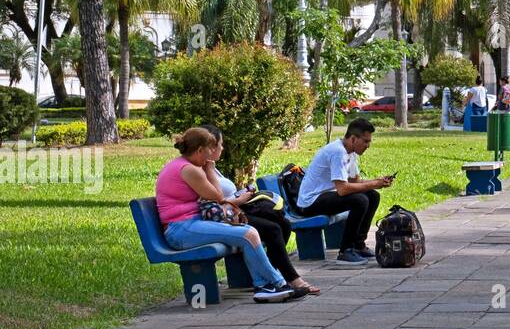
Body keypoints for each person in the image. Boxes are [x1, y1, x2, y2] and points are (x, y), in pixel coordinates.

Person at [155, 127, 305, 303]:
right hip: (181, 229)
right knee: (248, 233)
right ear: (199, 150)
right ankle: (274, 284)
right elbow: (217, 196)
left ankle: (265, 286)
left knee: (248, 232)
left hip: (189, 225)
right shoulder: (190, 170)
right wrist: (210, 168)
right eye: (210, 149)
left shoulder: (183, 165)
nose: (212, 153)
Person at [202, 124, 318, 296]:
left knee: (283, 224)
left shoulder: (212, 167)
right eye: (220, 144)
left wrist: (243, 195)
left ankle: (271, 271)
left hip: (235, 211)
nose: (222, 148)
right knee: (273, 229)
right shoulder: (202, 170)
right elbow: (214, 202)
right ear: (210, 147)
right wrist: (239, 199)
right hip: (224, 217)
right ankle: (291, 278)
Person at [296, 118, 392, 265]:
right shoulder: (337, 152)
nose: (368, 146)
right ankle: (345, 251)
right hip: (309, 203)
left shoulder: (351, 152)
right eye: (366, 141)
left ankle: (359, 245)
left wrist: (377, 182)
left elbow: (355, 182)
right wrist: (374, 183)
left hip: (326, 196)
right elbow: (343, 190)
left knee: (372, 195)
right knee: (360, 200)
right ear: (353, 139)